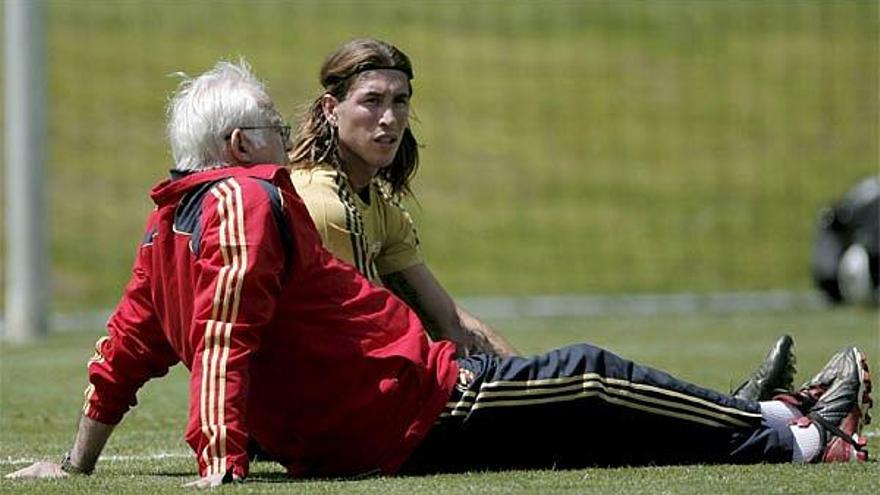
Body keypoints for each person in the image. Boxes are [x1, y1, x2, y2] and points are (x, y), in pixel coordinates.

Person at [6, 60, 872, 488]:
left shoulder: (166, 225)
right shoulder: (244, 198)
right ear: (240, 146)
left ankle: (762, 413)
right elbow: (227, 334)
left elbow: (125, 348)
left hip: (381, 404)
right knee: (590, 375)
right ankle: (795, 433)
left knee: (574, 415)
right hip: (400, 404)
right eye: (273, 125)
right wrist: (220, 461)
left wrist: (79, 464)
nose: (284, 139)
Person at [289, 38, 516, 358]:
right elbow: (370, 334)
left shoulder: (378, 205)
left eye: (399, 101)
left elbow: (450, 324)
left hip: (352, 382)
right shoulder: (325, 205)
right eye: (372, 100)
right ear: (331, 109)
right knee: (595, 369)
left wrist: (525, 379)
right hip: (327, 394)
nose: (390, 118)